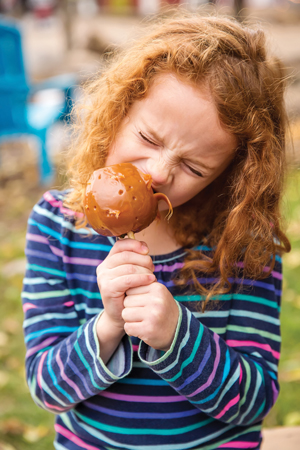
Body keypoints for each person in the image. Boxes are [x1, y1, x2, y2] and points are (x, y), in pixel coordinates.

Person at [22, 12, 291, 450]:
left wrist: (177, 335)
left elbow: (255, 401)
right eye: (148, 138)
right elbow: (47, 389)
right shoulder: (57, 226)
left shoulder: (245, 245)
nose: (160, 174)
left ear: (229, 175)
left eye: (193, 166)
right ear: (117, 113)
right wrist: (109, 325)